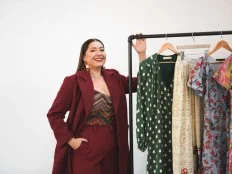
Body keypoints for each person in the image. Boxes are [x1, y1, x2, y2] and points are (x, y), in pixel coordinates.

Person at [47, 37, 146, 174]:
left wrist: (141, 54)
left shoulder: (114, 77)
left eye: (102, 49)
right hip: (85, 150)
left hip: (114, 150)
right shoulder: (73, 81)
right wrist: (71, 140)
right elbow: (54, 115)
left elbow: (142, 83)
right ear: (84, 58)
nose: (99, 53)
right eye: (93, 50)